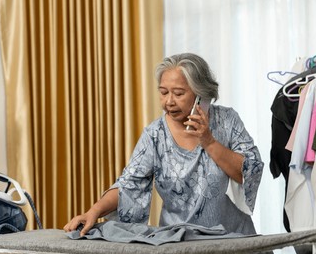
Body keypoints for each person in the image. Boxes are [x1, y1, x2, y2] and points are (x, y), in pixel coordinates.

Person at [64, 53, 264, 243]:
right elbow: (128, 185)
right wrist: (93, 212)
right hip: (177, 243)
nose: (169, 101)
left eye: (178, 93)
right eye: (163, 92)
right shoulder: (154, 135)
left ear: (200, 94)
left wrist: (209, 141)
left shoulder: (228, 121)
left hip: (234, 241)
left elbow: (248, 172)